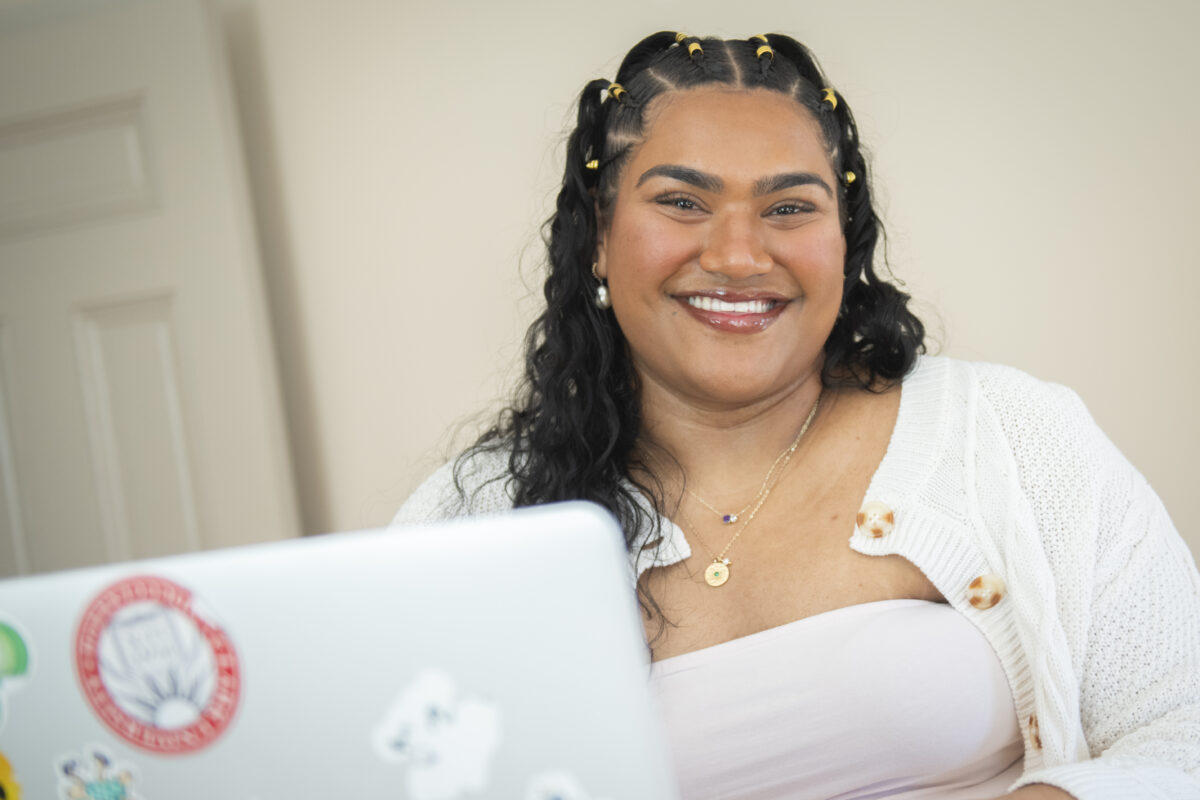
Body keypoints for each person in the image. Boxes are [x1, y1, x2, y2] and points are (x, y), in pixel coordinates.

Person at [395, 31, 1200, 800]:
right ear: (600, 238)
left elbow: (1184, 732)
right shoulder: (476, 516)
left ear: (843, 241)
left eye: (788, 208)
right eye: (682, 201)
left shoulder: (1013, 435)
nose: (739, 256)